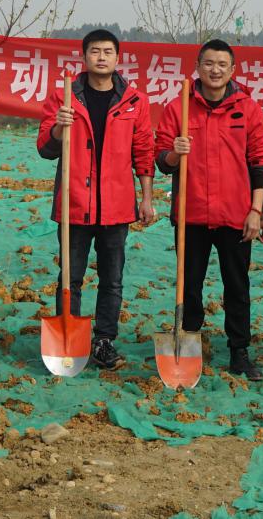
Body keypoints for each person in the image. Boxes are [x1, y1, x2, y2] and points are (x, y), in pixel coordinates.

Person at [36, 29, 155, 370]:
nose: (101, 57)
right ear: (84, 57)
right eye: (94, 52)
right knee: (69, 277)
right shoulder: (65, 97)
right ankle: (69, 339)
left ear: (118, 58)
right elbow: (45, 149)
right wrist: (59, 127)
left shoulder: (135, 101)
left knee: (111, 278)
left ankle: (104, 341)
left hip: (117, 207)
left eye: (107, 52)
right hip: (74, 205)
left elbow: (144, 152)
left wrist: (146, 198)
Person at [155, 39, 263, 380]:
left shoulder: (246, 108)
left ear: (233, 70)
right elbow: (162, 160)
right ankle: (189, 342)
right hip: (190, 215)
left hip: (235, 215)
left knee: (237, 285)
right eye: (208, 63)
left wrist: (255, 210)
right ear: (198, 67)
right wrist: (175, 153)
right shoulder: (180, 108)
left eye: (222, 64)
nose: (215, 70)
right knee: (188, 284)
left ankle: (239, 350)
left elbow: (261, 160)